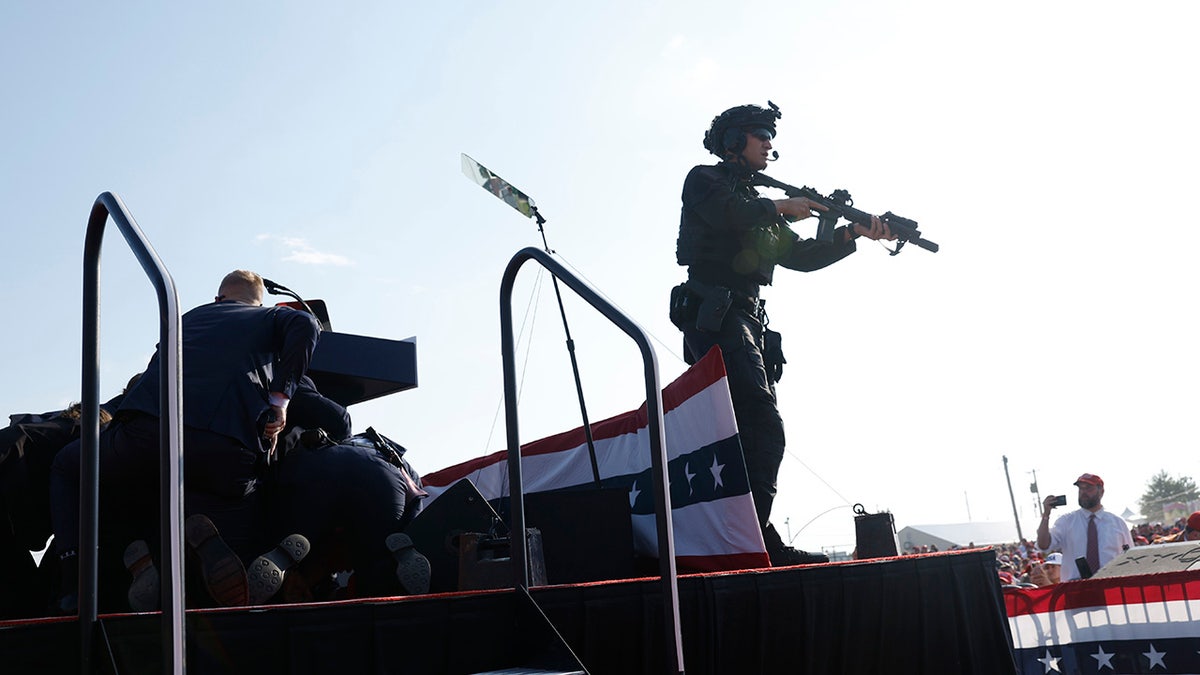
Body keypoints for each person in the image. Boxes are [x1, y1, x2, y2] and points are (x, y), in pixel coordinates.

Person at [669, 101, 895, 566]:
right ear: (735, 142)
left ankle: (752, 533)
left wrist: (853, 233)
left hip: (746, 319)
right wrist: (781, 207)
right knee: (762, 426)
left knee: (752, 431)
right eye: (760, 135)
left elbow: (803, 257)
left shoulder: (758, 207)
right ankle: (749, 538)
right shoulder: (705, 181)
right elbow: (730, 214)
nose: (770, 144)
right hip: (718, 313)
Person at [50, 270, 322, 608]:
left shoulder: (187, 320)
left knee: (69, 466)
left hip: (152, 434)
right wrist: (279, 402)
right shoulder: (271, 316)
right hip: (228, 449)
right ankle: (238, 573)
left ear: (219, 298)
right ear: (259, 301)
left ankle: (75, 584)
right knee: (239, 513)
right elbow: (307, 325)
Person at [1037, 473, 1134, 581]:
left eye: (1088, 488)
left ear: (1101, 491)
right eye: (1080, 489)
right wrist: (1046, 514)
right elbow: (1043, 545)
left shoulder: (1117, 523)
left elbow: (1130, 557)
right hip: (1076, 588)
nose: (1083, 492)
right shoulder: (1066, 521)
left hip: (1110, 585)